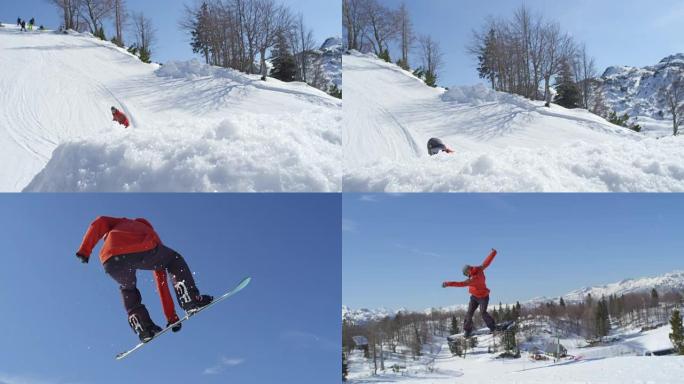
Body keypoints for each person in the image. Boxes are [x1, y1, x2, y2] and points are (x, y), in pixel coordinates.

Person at [76, 216, 213, 342]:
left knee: (127, 287)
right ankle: (189, 297)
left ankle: (142, 325)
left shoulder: (119, 223)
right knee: (174, 259)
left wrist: (85, 250)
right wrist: (172, 318)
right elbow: (161, 282)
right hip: (141, 248)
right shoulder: (148, 233)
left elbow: (100, 221)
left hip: (109, 260)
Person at [442, 249, 498, 337]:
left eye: (466, 274)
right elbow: (487, 262)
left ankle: (493, 328)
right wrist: (493, 253)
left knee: (482, 312)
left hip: (483, 297)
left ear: (468, 271)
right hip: (474, 297)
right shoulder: (479, 268)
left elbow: (460, 284)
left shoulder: (472, 279)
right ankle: (468, 330)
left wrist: (447, 284)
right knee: (470, 313)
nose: (467, 276)